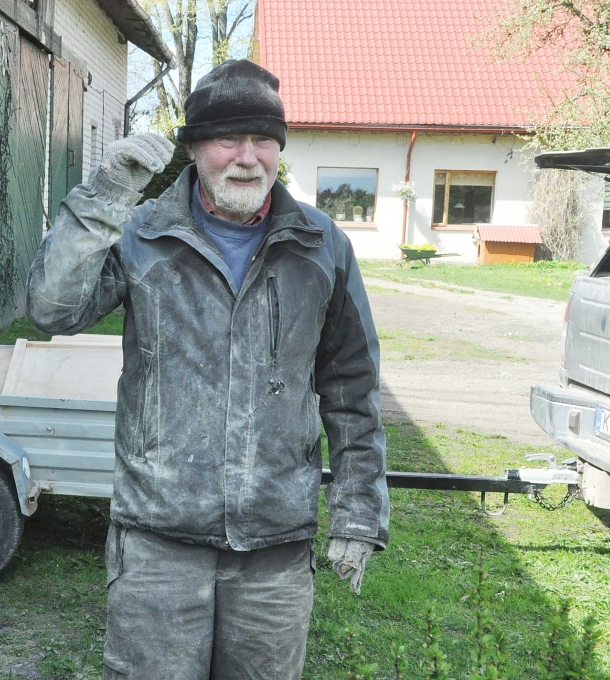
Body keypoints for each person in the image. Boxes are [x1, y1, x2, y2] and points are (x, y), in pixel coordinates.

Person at [27, 59, 389, 678]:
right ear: (195, 147)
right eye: (228, 139)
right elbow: (50, 310)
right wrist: (105, 196)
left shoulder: (321, 245)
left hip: (274, 549)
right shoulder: (141, 233)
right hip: (158, 543)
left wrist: (358, 512)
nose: (248, 157)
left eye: (264, 140)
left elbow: (351, 388)